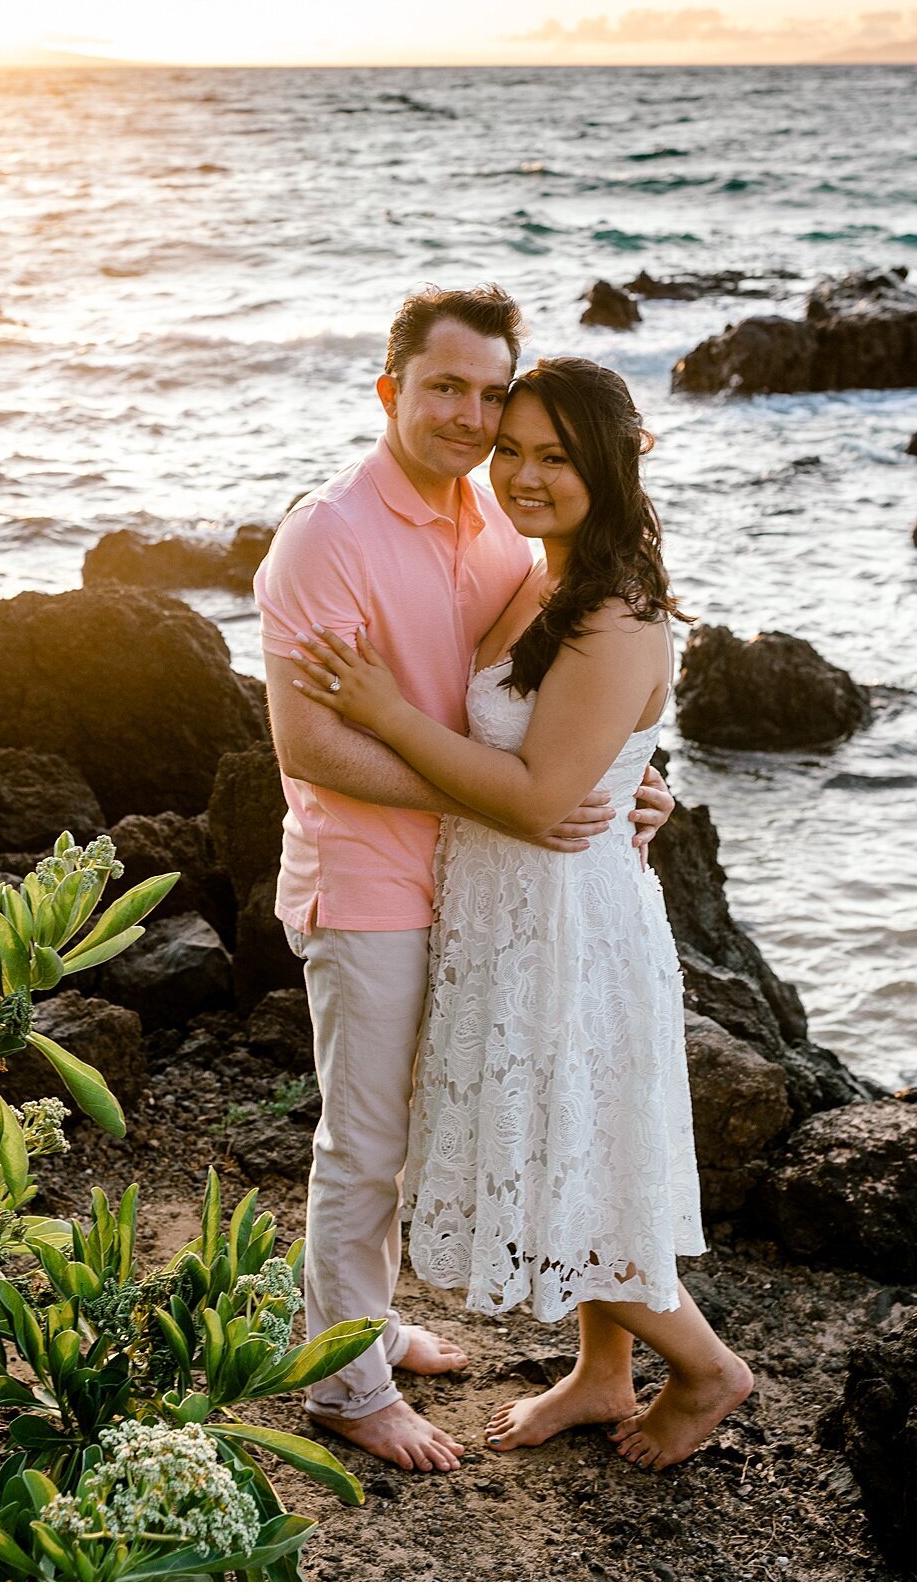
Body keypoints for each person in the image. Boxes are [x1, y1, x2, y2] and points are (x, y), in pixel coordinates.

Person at [290, 356, 753, 1473]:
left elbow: (546, 794)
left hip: (566, 923)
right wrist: (650, 768)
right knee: (575, 1143)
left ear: (611, 463)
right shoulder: (542, 574)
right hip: (513, 909)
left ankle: (707, 1368)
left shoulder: (616, 606)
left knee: (574, 1158)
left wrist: (391, 714)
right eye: (515, 450)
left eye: (557, 455)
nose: (527, 473)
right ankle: (602, 1374)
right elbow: (581, 748)